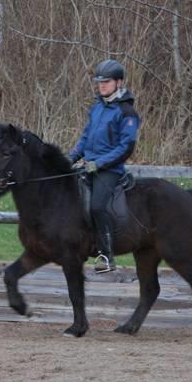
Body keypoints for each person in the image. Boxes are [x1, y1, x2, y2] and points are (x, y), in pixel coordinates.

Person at [68, 59, 140, 273]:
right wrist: (70, 158)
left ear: (118, 82)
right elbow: (86, 137)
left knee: (97, 206)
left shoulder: (127, 112)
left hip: (109, 170)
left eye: (106, 82)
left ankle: (107, 256)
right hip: (88, 164)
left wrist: (99, 164)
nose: (102, 86)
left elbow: (125, 147)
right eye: (99, 82)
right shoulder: (97, 107)